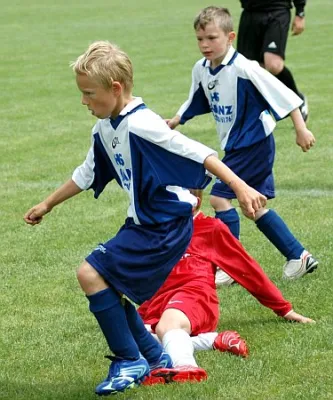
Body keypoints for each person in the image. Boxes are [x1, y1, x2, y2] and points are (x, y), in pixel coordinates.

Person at [23, 41, 267, 396]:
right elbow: (87, 173)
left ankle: (129, 359)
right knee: (108, 282)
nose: (84, 102)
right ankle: (153, 357)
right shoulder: (105, 128)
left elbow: (198, 153)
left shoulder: (143, 124)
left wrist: (240, 187)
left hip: (165, 226)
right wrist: (48, 204)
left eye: (89, 94)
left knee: (90, 273)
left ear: (116, 89)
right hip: (144, 224)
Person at [166, 6, 318, 284]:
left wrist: (301, 128)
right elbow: (195, 98)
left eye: (212, 38)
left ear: (230, 36)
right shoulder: (201, 69)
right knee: (253, 206)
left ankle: (230, 265)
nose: (205, 45)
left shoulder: (245, 68)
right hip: (237, 146)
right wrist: (176, 120)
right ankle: (298, 256)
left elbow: (284, 95)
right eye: (200, 39)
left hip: (254, 144)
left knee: (219, 197)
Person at [138, 189, 314, 385]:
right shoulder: (157, 229)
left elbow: (247, 270)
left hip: (194, 295)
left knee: (168, 326)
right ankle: (212, 340)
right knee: (134, 337)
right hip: (159, 299)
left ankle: (186, 367)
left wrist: (284, 308)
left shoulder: (211, 228)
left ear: (194, 202)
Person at [237, 0, 309, 121]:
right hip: (250, 13)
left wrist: (300, 12)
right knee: (250, 68)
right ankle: (259, 114)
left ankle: (297, 100)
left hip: (277, 11)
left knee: (274, 64)